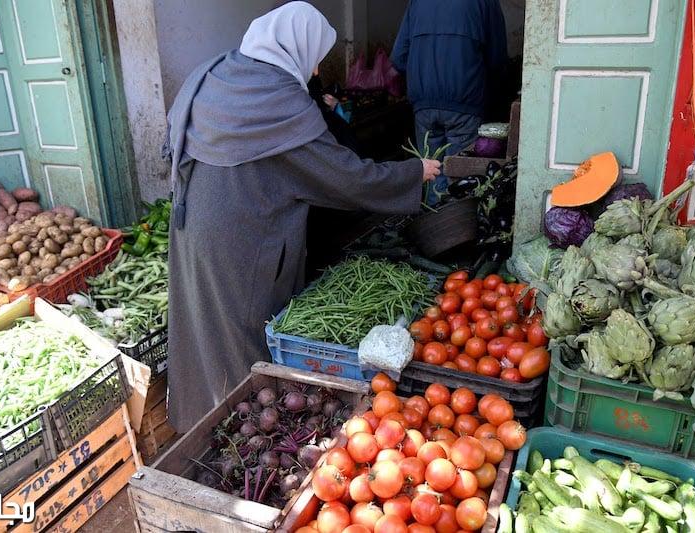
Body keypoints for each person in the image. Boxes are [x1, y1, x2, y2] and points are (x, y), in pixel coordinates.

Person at [164, 2, 441, 432]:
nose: (314, 71)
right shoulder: (278, 102)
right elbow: (346, 178)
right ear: (296, 46)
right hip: (243, 238)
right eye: (315, 57)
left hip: (193, 223)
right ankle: (238, 433)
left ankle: (195, 420)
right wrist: (411, 174)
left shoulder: (219, 72)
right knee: (246, 336)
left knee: (202, 325)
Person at [391, 0, 508, 157]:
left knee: (431, 172)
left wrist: (423, 76)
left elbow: (398, 57)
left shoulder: (417, 3)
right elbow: (497, 60)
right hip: (465, 105)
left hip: (424, 106)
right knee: (460, 174)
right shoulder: (485, 2)